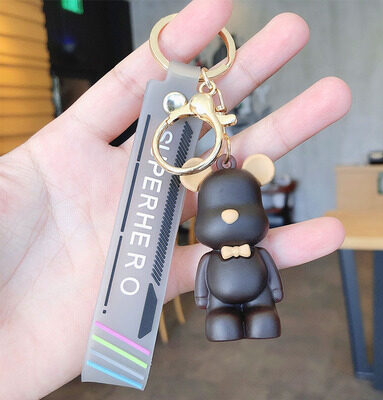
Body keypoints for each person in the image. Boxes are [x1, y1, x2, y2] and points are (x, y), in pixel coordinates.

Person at [0, 0, 351, 398]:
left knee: (264, 314)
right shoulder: (213, 250)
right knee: (220, 318)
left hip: (257, 298)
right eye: (221, 210)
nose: (231, 216)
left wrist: (271, 293)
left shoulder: (254, 247)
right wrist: (206, 298)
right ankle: (223, 318)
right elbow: (204, 280)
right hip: (219, 302)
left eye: (241, 208)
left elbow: (268, 273)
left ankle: (260, 316)